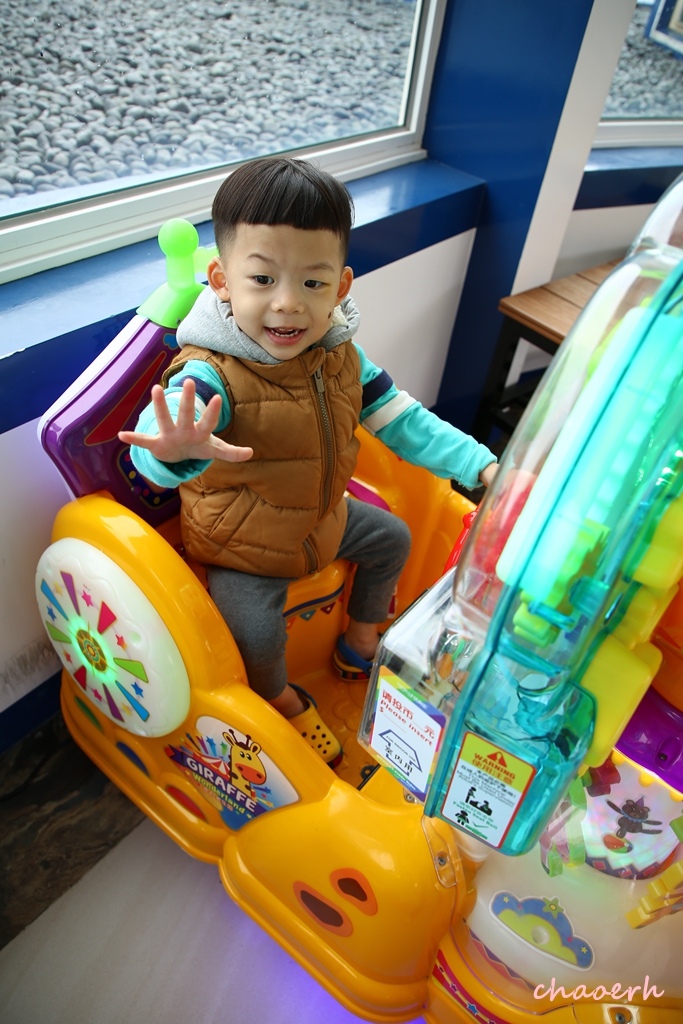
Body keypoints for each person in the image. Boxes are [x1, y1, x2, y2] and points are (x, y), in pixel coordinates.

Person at [119, 156, 497, 766]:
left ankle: (361, 638)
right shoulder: (210, 373)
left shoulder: (342, 355)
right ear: (221, 281)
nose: (289, 304)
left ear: (341, 287)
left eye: (312, 284)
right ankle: (279, 699)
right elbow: (161, 434)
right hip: (242, 546)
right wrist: (174, 453)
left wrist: (482, 467)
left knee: (393, 539)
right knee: (255, 633)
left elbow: (404, 420)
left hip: (323, 519)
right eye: (262, 279)